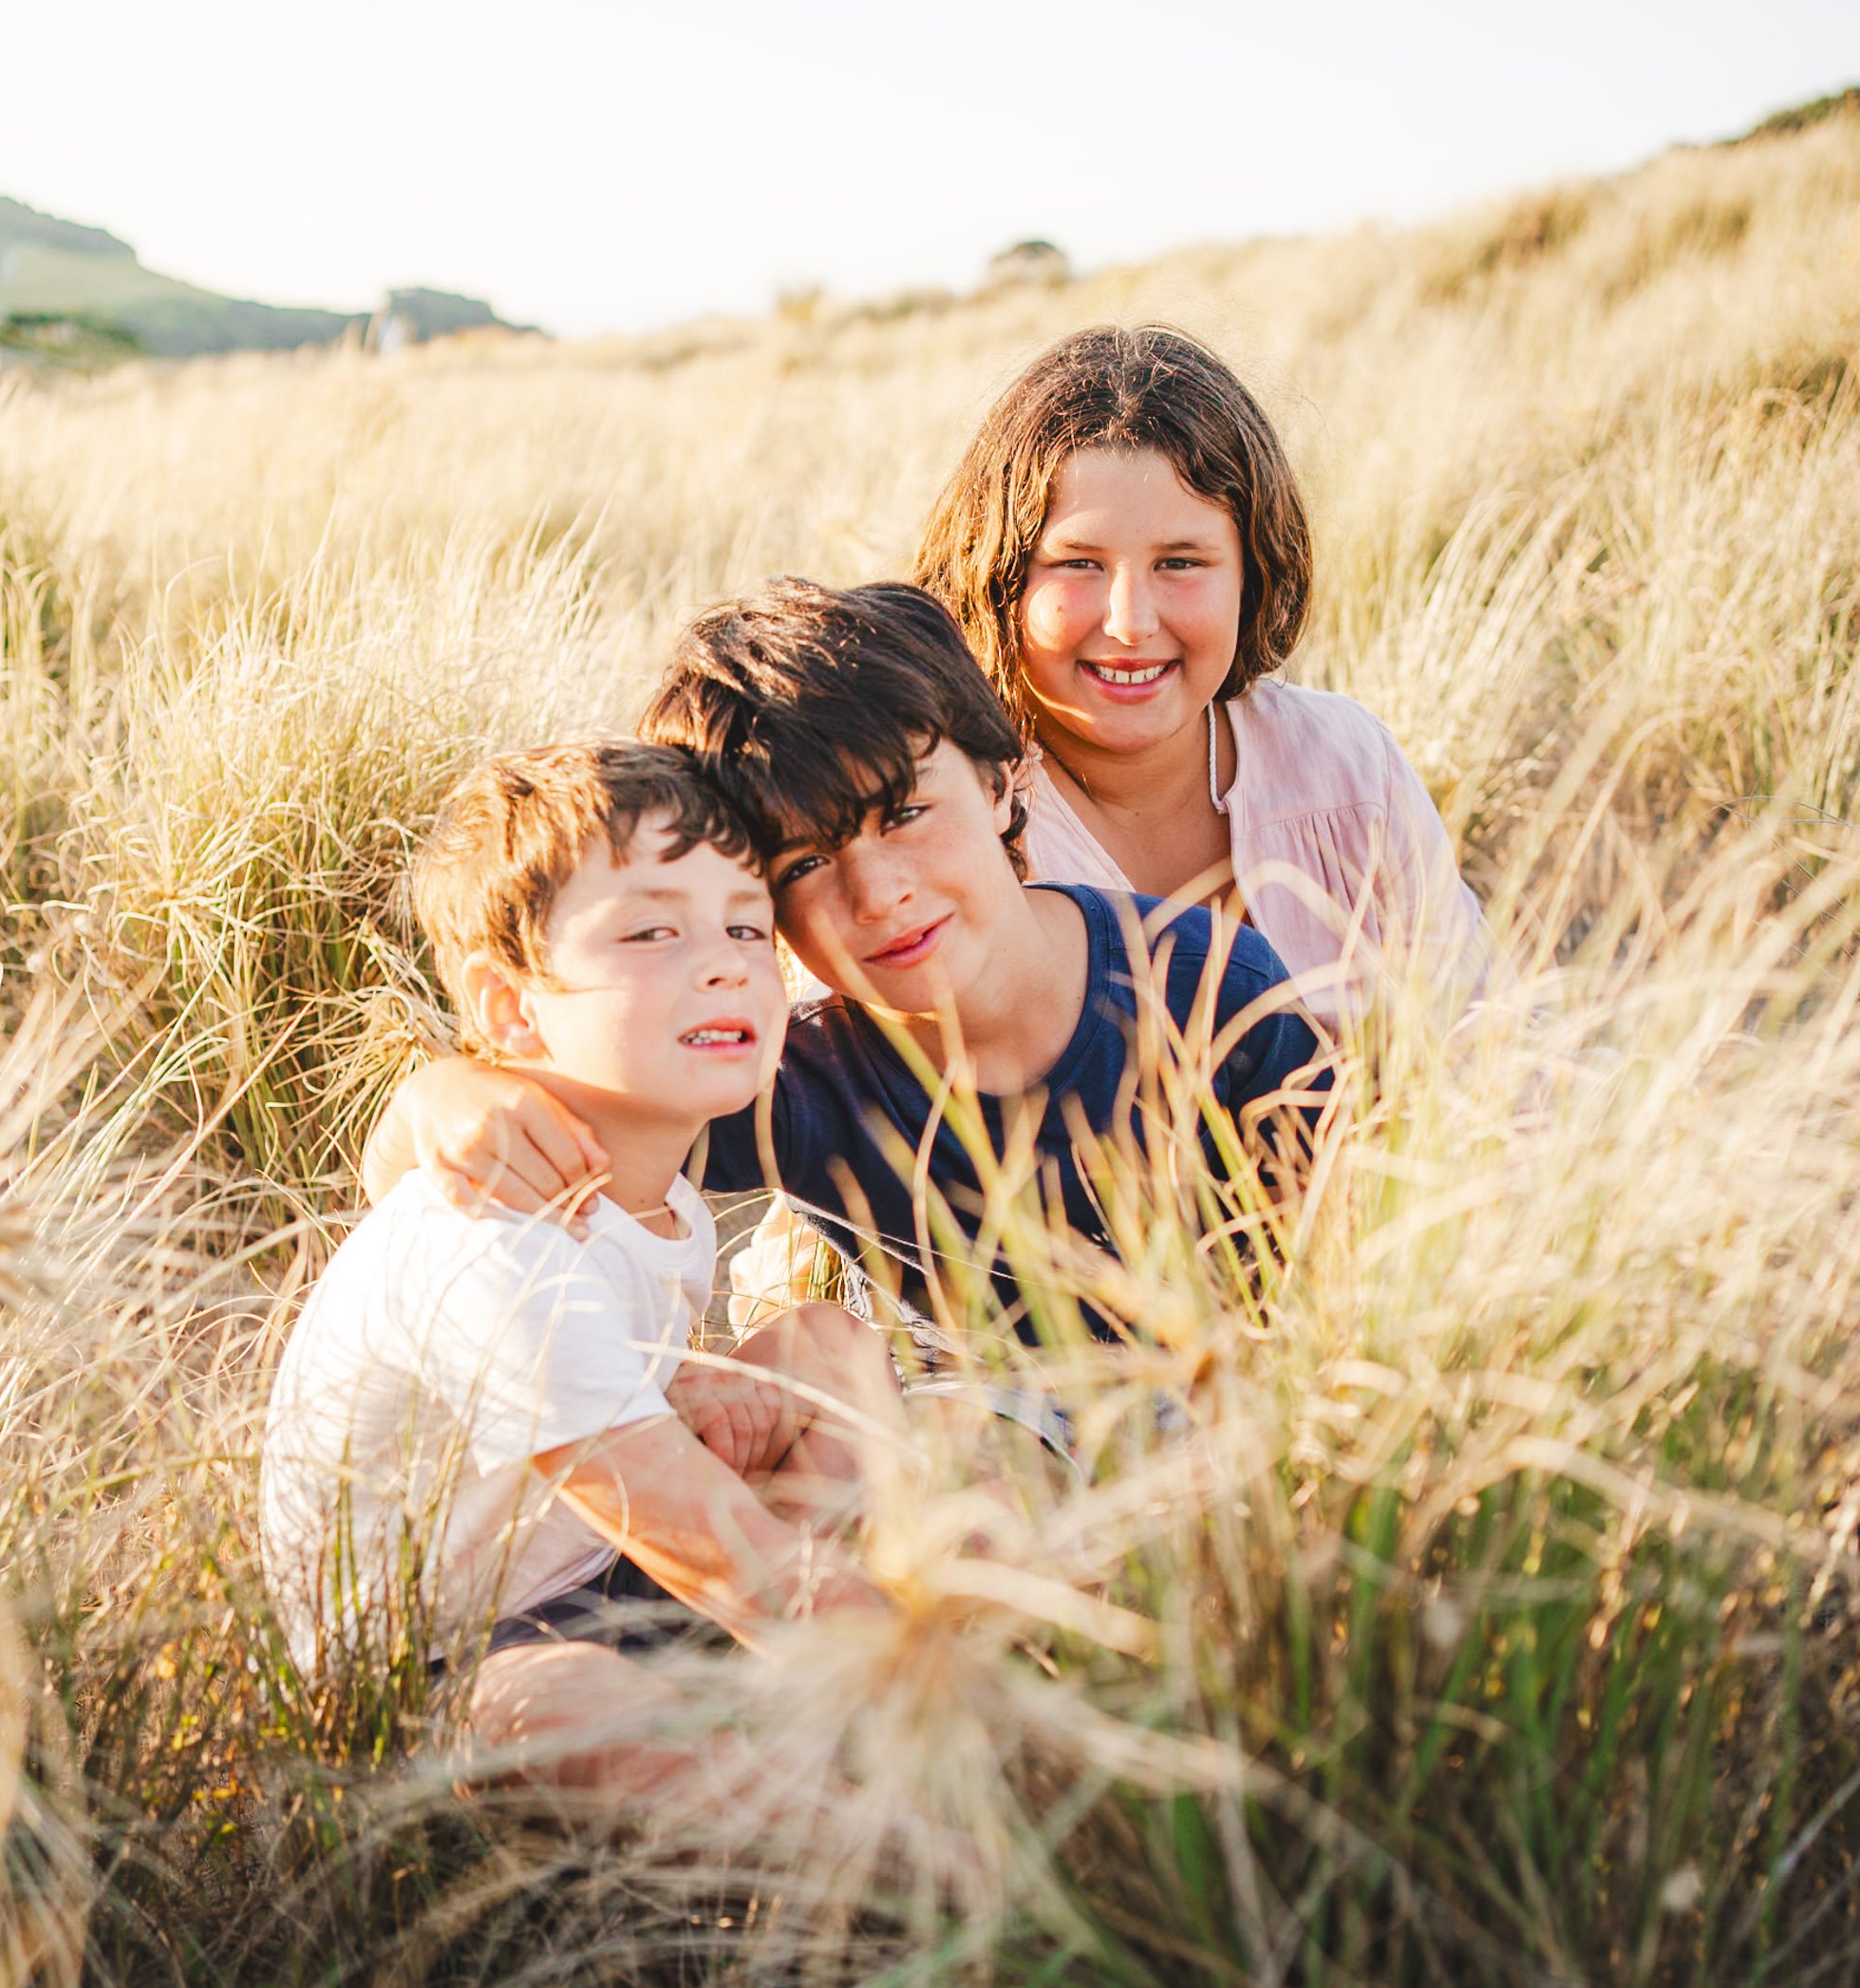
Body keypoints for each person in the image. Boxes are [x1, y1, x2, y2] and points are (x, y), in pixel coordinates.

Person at [360, 583, 1331, 1332]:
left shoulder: (1207, 986)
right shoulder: (794, 1083)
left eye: (904, 813)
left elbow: (1353, 1261)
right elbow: (420, 1168)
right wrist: (438, 1098)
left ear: (999, 780)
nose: (877, 895)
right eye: (806, 862)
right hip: (995, 1439)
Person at [261, 739, 894, 1798]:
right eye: (652, 930)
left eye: (745, 925)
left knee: (829, 1347)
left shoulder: (671, 1206)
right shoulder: (490, 1234)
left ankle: (793, 1699)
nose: (726, 961)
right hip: (438, 1669)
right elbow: (695, 1536)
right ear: (512, 1011)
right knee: (571, 1712)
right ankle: (884, 1847)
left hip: (592, 1570)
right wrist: (955, 1685)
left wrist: (678, 1388)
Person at [916, 324, 1492, 1022]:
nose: (1130, 624)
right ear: (1000, 577)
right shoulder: (943, 822)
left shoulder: (1346, 765)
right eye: (1077, 563)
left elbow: (1493, 1038)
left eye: (1181, 562)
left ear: (1253, 572)